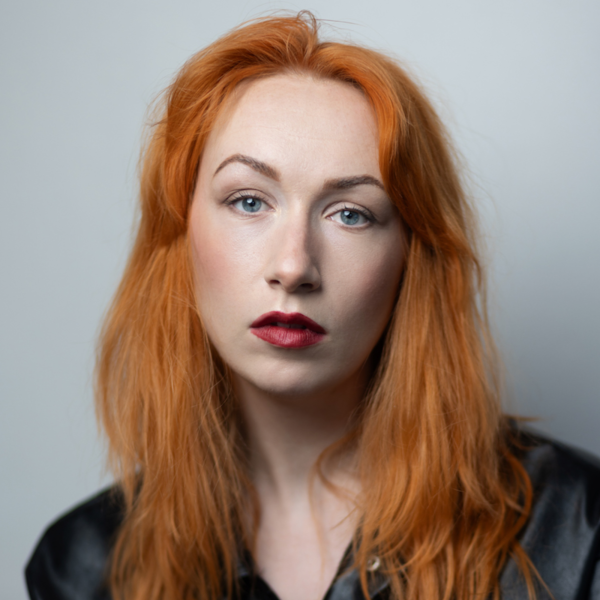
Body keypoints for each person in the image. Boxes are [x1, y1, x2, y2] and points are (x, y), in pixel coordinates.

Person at [25, 11, 600, 600]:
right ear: (181, 232)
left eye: (351, 214)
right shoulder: (80, 570)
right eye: (249, 201)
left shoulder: (581, 534)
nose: (294, 265)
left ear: (411, 258)